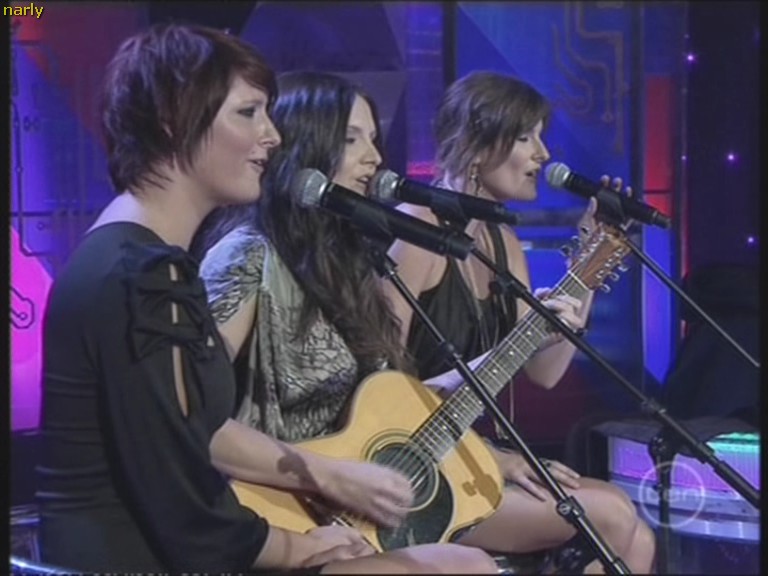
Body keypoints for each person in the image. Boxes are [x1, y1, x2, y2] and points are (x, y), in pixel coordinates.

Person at [35, 25, 495, 575]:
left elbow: (186, 438)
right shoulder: (144, 274)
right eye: (248, 113)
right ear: (174, 119)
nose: (272, 136)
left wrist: (325, 480)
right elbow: (180, 498)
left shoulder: (136, 260)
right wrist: (295, 546)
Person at [382, 71, 657, 573]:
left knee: (639, 539)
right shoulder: (418, 227)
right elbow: (379, 381)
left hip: (477, 453)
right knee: (614, 514)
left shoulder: (501, 243)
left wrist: (588, 267)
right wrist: (492, 457)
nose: (543, 155)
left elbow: (543, 371)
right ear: (477, 143)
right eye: (526, 137)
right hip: (416, 467)